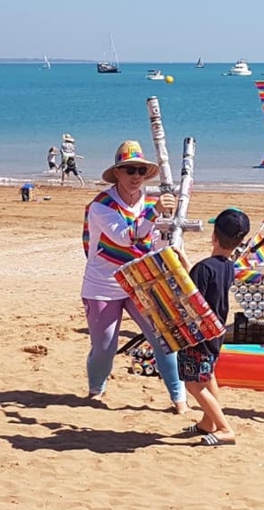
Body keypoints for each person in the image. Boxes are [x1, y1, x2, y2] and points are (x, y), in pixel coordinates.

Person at [81, 140, 188, 412]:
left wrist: (171, 240)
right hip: (104, 283)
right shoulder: (101, 206)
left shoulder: (151, 203)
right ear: (117, 173)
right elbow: (127, 236)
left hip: (142, 281)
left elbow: (154, 243)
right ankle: (96, 389)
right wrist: (154, 212)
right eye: (129, 170)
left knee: (163, 340)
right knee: (104, 348)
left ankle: (179, 399)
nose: (136, 176)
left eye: (140, 170)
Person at [177, 208, 250, 446]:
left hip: (198, 335)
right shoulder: (227, 267)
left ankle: (224, 427)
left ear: (214, 237)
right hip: (216, 333)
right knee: (208, 378)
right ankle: (207, 422)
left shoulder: (204, 267)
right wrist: (185, 260)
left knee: (193, 383)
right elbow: (201, 285)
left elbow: (190, 296)